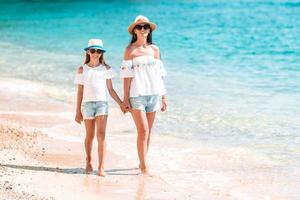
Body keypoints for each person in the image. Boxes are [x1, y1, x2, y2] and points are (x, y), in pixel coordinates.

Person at [120, 15, 167, 175]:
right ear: (134, 30)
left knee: (149, 131)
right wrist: (125, 99)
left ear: (149, 30)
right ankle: (144, 167)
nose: (142, 30)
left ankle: (143, 161)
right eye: (139, 27)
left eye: (145, 27)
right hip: (136, 95)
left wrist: (163, 96)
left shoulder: (155, 49)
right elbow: (126, 76)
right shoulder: (130, 50)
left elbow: (160, 74)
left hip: (154, 94)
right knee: (143, 131)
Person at [74, 39, 125, 176]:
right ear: (88, 52)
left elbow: (111, 90)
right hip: (87, 105)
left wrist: (121, 103)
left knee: (101, 135)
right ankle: (88, 161)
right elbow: (80, 92)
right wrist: (77, 112)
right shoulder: (82, 69)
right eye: (93, 50)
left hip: (102, 103)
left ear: (102, 53)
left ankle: (101, 167)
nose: (96, 53)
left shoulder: (106, 69)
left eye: (99, 51)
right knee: (89, 136)